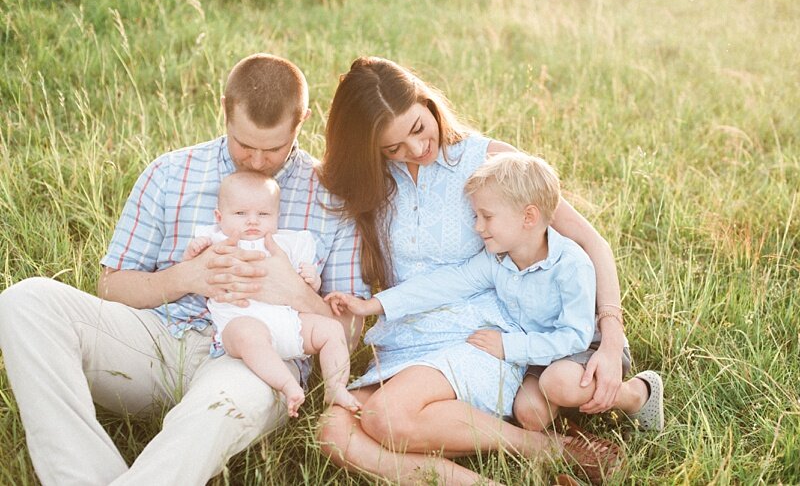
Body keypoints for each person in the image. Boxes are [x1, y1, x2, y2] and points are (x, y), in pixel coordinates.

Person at [0, 53, 369, 485]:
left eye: (273, 149)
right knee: (26, 302)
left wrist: (295, 292)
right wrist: (186, 277)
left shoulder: (332, 199)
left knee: (214, 412)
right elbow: (112, 285)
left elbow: (349, 334)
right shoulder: (169, 173)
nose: (255, 160)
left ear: (303, 120)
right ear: (224, 108)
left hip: (260, 359)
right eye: (243, 144)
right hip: (159, 341)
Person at [316, 56, 641, 484]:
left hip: (481, 334)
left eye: (417, 129)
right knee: (333, 433)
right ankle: (522, 464)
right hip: (406, 336)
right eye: (391, 147)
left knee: (387, 418)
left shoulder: (489, 160)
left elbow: (590, 242)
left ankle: (550, 449)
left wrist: (610, 341)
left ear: (428, 103)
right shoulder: (375, 181)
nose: (415, 150)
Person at [327, 152, 664, 436]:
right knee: (529, 414)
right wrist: (374, 304)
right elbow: (447, 283)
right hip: (537, 355)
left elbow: (573, 337)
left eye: (486, 216)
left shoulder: (571, 264)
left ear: (528, 217)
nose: (477, 227)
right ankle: (575, 413)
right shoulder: (497, 260)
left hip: (580, 348)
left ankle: (636, 393)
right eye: (476, 216)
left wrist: (508, 347)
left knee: (559, 381)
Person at [182, 171, 362, 417]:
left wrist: (313, 278)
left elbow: (306, 285)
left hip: (289, 324)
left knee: (332, 330)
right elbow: (191, 270)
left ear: (277, 216)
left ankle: (335, 386)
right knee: (248, 334)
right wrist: (193, 251)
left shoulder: (288, 242)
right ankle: (288, 385)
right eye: (241, 214)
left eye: (263, 214)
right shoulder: (215, 239)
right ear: (219, 217)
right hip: (240, 323)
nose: (252, 221)